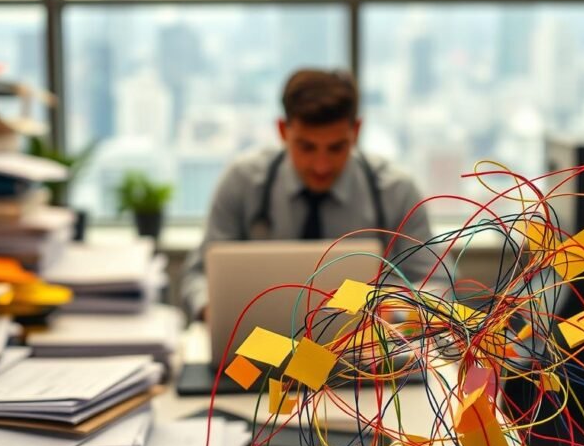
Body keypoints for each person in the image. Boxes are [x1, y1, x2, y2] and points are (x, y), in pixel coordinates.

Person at [181, 68, 442, 319]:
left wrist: (394, 312)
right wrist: (214, 312)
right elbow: (197, 277)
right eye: (306, 147)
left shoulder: (396, 191)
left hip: (367, 357)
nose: (321, 166)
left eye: (336, 147)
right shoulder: (242, 182)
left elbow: (439, 285)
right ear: (283, 131)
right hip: (257, 351)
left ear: (356, 131)